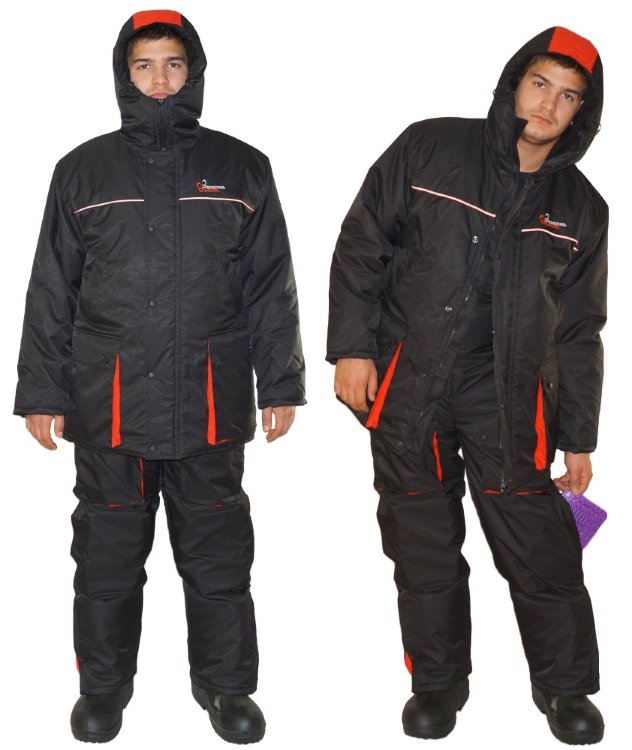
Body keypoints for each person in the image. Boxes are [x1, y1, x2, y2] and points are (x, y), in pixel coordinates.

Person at [14, 9, 305, 745]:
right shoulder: (82, 170)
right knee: (106, 559)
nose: (160, 79)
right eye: (144, 65)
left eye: (174, 64)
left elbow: (271, 284)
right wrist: (42, 390)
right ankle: (102, 689)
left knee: (219, 558)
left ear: (194, 72)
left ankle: (227, 689)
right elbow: (52, 288)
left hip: (210, 398)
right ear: (124, 75)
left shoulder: (243, 166)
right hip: (109, 400)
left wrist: (280, 382)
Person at [327, 26, 606, 745]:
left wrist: (578, 437)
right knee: (422, 548)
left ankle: (565, 690)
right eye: (540, 84)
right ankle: (438, 684)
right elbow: (362, 244)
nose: (548, 104)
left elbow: (579, 332)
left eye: (568, 96)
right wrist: (352, 348)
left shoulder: (583, 209)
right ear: (515, 82)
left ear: (583, 112)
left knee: (541, 548)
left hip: (508, 401)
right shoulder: (431, 147)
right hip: (406, 383)